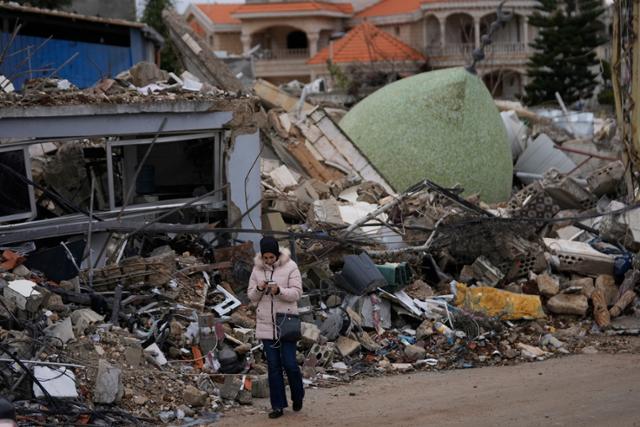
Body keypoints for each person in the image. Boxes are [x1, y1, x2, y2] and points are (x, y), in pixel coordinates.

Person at [248, 236, 304, 419]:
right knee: (273, 366)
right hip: (265, 325)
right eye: (266, 258)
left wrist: (279, 291)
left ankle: (298, 395)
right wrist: (259, 288)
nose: (269, 261)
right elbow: (251, 296)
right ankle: (278, 406)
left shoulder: (290, 266)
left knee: (290, 364)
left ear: (277, 254)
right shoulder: (257, 269)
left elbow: (297, 293)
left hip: (286, 323)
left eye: (272, 257)